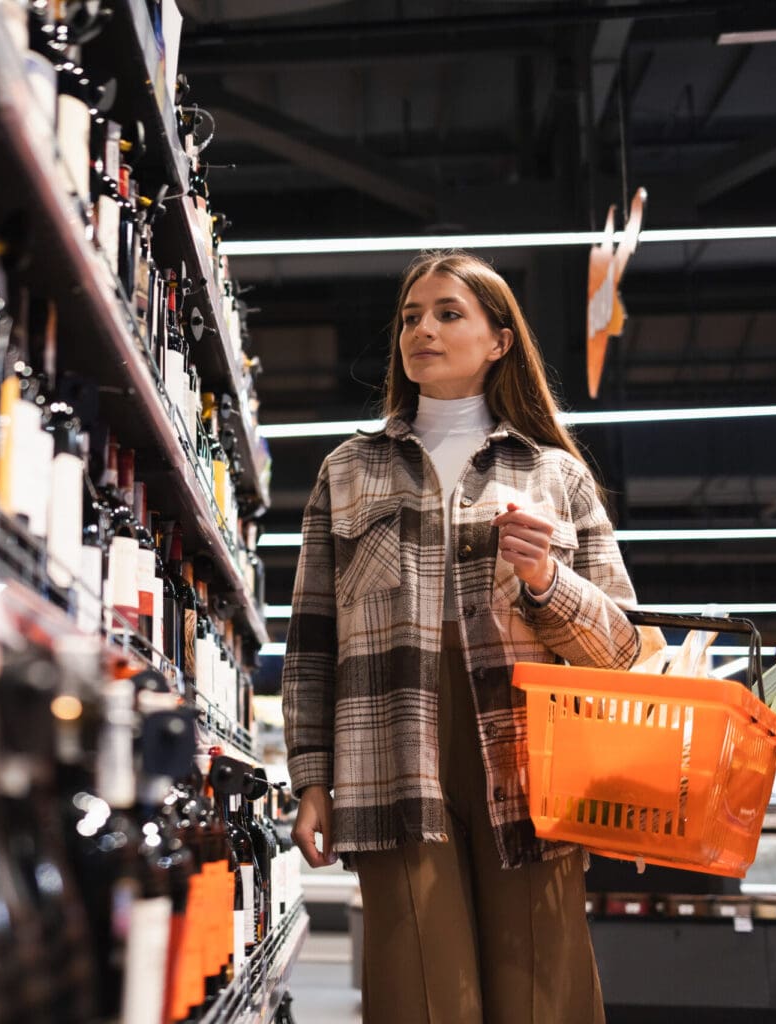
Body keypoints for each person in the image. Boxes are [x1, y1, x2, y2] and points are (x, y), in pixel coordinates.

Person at [281, 250, 660, 1023]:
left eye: (449, 313)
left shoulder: (556, 476)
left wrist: (549, 584)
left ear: (500, 341)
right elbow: (312, 640)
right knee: (418, 991)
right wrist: (311, 777)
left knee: (540, 990)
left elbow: (627, 649)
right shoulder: (348, 471)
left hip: (533, 756)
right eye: (411, 317)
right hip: (388, 753)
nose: (423, 329)